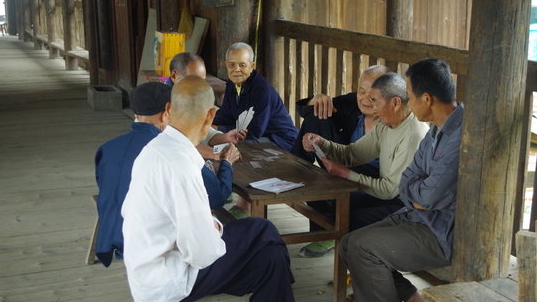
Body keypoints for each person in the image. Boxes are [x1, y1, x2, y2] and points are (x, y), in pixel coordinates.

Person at [122, 76, 320, 302]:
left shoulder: (160, 147)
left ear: (169, 110)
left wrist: (211, 228)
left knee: (268, 253)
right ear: (211, 115)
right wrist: (214, 228)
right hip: (166, 275)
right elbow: (202, 252)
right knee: (264, 235)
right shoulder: (179, 166)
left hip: (152, 260)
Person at [339, 58, 463, 302]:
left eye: (410, 95)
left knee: (362, 247)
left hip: (441, 232)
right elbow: (410, 179)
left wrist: (418, 193)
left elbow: (427, 194)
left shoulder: (459, 136)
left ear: (427, 99)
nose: (406, 101)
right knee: (349, 242)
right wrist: (417, 194)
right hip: (418, 216)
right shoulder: (436, 128)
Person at [94, 82, 240, 267]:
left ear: (135, 113)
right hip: (149, 244)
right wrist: (226, 163)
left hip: (110, 235)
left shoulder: (106, 149)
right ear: (168, 113)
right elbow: (217, 197)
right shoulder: (169, 149)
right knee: (255, 232)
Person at [299, 73, 429, 258]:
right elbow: (353, 154)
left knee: (347, 219)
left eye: (375, 102)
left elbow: (390, 191)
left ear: (396, 103)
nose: (373, 109)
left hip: (404, 206)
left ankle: (370, 272)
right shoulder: (387, 123)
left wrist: (347, 174)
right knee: (324, 197)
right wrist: (322, 144)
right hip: (385, 195)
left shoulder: (413, 134)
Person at [293, 65, 389, 257]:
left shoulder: (394, 121)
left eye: (373, 95)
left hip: (374, 181)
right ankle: (295, 169)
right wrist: (317, 98)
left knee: (329, 197)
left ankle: (329, 233)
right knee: (317, 115)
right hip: (347, 159)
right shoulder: (354, 102)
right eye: (362, 91)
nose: (365, 99)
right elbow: (308, 110)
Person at [214, 42, 299, 219]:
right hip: (254, 134)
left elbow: (255, 131)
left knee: (239, 149)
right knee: (213, 137)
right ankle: (225, 185)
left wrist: (227, 137)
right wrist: (207, 128)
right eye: (231, 64)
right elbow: (225, 116)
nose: (236, 69)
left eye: (242, 65)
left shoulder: (262, 90)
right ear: (225, 65)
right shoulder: (232, 85)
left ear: (252, 66)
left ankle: (245, 205)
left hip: (279, 140)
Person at [162, 52, 247, 160]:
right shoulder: (161, 102)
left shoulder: (194, 94)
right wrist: (213, 153)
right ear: (174, 76)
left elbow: (202, 131)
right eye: (194, 79)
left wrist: (225, 137)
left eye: (203, 80)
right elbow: (174, 141)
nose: (200, 86)